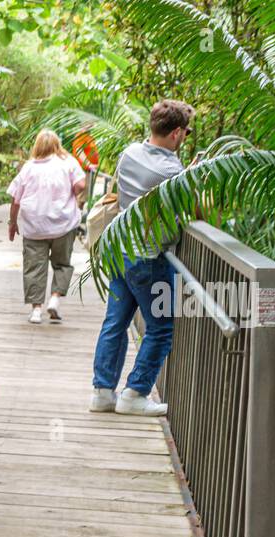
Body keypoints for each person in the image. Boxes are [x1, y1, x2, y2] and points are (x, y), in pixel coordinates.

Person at [90, 99, 196, 416]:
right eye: (187, 132)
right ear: (177, 133)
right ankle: (135, 393)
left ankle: (103, 392)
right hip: (148, 257)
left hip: (118, 248)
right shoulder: (172, 170)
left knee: (115, 322)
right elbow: (185, 211)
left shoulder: (129, 154)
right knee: (160, 328)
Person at [7, 130, 87, 324]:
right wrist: (73, 192)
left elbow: (15, 200)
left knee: (34, 268)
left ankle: (36, 311)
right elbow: (81, 185)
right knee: (62, 264)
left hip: (34, 227)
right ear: (57, 145)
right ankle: (55, 299)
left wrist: (12, 223)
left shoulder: (28, 167)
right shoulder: (67, 162)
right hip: (63, 225)